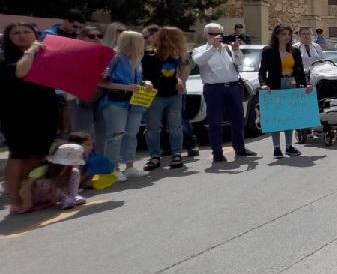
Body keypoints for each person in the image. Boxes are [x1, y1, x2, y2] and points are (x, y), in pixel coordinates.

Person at [1, 22, 60, 214]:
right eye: (16, 33)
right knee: (19, 154)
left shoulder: (47, 53)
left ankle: (30, 193)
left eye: (26, 32)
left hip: (45, 109)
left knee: (38, 154)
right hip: (16, 113)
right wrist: (32, 50)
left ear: (35, 34)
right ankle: (15, 199)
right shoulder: (5, 57)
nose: (21, 35)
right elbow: (21, 71)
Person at [192, 23, 258, 164]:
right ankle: (217, 152)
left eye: (219, 34)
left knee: (238, 120)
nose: (216, 37)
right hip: (214, 89)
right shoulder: (200, 50)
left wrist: (235, 50)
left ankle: (240, 148)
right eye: (212, 34)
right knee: (215, 122)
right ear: (206, 35)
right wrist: (213, 48)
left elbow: (239, 63)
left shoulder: (227, 49)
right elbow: (199, 61)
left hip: (233, 88)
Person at [97, 30, 152, 181]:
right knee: (116, 135)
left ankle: (129, 166)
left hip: (134, 101)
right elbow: (101, 82)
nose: (145, 42)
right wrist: (127, 88)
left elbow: (137, 80)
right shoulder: (114, 58)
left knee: (131, 134)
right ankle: (112, 168)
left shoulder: (137, 59)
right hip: (115, 101)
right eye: (141, 40)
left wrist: (146, 83)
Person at [258, 24, 311, 158]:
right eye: (283, 34)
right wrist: (263, 84)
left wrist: (306, 85)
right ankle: (276, 148)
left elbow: (299, 71)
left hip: (291, 84)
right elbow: (262, 71)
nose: (286, 37)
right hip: (275, 86)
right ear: (276, 35)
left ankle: (289, 146)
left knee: (289, 117)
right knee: (276, 118)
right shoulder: (268, 51)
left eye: (288, 34)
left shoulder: (295, 51)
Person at [142, 26, 189, 171]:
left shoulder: (176, 56)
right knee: (153, 127)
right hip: (155, 95)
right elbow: (142, 75)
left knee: (175, 126)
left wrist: (181, 80)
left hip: (173, 95)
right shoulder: (149, 55)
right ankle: (154, 156)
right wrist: (145, 82)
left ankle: (176, 154)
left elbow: (184, 68)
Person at [16, 140, 87, 212]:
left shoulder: (70, 168)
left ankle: (73, 196)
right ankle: (65, 198)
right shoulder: (44, 169)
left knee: (75, 171)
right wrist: (27, 204)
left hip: (51, 196)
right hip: (36, 197)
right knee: (45, 182)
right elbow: (26, 186)